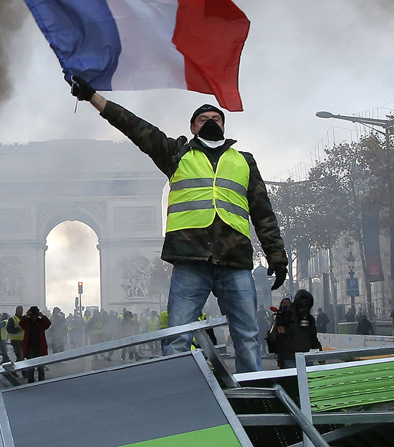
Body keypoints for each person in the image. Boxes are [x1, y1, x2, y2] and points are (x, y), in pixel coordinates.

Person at [70, 79, 287, 374]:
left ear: (224, 126)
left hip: (234, 260)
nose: (210, 122)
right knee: (177, 338)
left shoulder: (245, 161)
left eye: (216, 118)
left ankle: (256, 398)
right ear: (193, 127)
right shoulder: (176, 154)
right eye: (203, 119)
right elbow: (135, 127)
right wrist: (94, 97)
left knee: (247, 338)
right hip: (190, 260)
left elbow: (263, 213)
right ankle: (180, 392)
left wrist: (277, 255)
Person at [266, 289, 322, 369]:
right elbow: (275, 339)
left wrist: (320, 357)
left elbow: (313, 338)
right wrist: (279, 333)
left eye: (307, 307)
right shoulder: (285, 316)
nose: (304, 310)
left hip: (305, 356)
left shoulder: (309, 319)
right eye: (303, 307)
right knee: (292, 379)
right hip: (289, 357)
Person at [19, 306, 52, 382]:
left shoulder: (41, 322)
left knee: (40, 367)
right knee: (31, 367)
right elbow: (21, 323)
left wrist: (43, 316)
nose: (34, 317)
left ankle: (41, 381)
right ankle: (31, 382)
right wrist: (26, 316)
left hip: (39, 347)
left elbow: (48, 323)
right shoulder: (27, 322)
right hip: (31, 347)